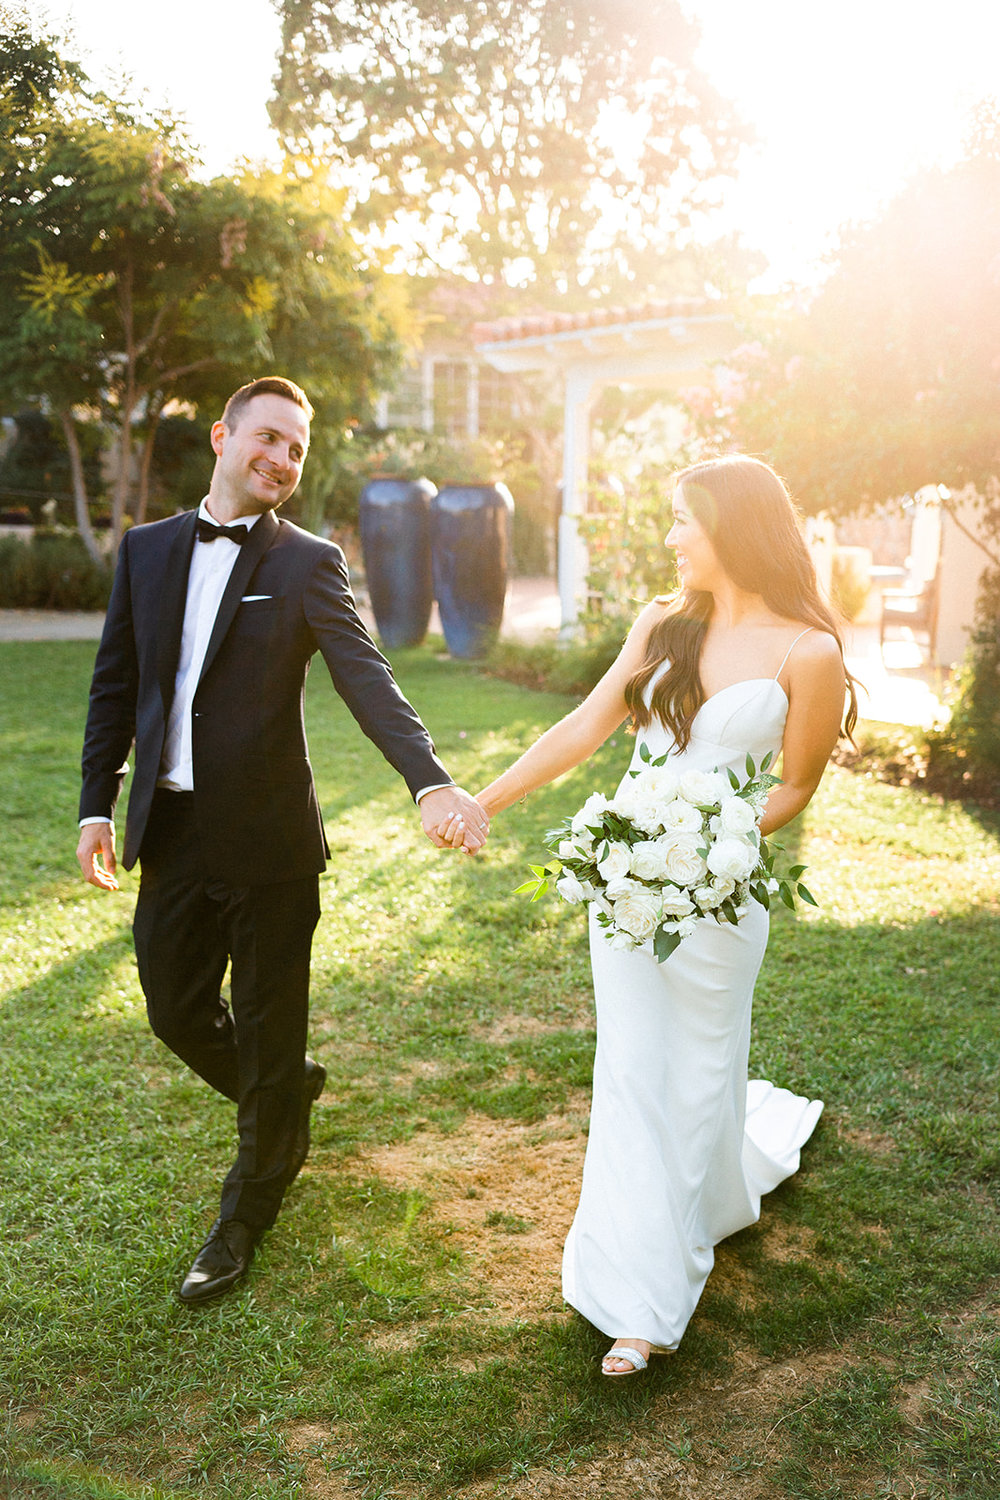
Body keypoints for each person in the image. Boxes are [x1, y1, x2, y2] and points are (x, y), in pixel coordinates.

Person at [77, 376, 486, 1305]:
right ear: (222, 436)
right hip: (170, 832)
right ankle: (284, 1103)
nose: (280, 459)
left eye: (296, 450)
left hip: (268, 845)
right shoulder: (144, 553)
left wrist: (429, 779)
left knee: (266, 1030)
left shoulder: (308, 562)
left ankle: (244, 1215)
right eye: (267, 438)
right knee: (175, 1012)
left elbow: (366, 677)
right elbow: (115, 688)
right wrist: (96, 805)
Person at [462, 455, 857, 1376]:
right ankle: (640, 1299)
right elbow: (586, 727)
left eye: (685, 520)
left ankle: (710, 1196)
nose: (671, 536)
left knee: (700, 1074)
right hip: (626, 889)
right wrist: (488, 799)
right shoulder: (662, 622)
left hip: (718, 899)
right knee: (635, 1072)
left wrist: (710, 842)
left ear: (734, 528)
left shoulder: (810, 652)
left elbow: (795, 785)